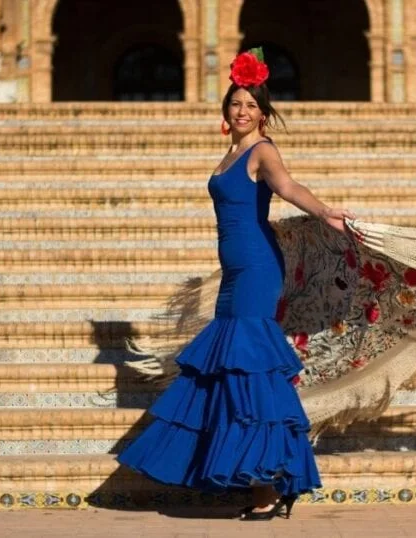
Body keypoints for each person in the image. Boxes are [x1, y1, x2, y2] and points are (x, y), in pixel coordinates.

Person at [116, 48, 355, 521]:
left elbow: (288, 188)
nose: (242, 111)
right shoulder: (230, 154)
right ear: (225, 110)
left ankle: (271, 484)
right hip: (234, 273)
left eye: (250, 104)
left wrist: (325, 210)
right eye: (235, 103)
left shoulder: (262, 150)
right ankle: (270, 480)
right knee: (235, 373)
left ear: (263, 113)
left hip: (257, 270)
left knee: (251, 373)